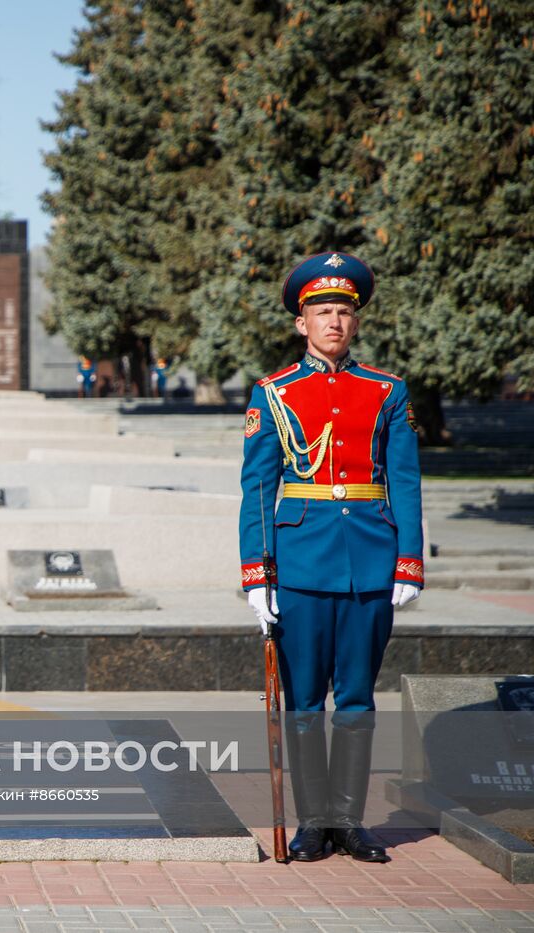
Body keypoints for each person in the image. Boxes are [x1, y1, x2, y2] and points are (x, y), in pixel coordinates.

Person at [239, 251, 422, 865]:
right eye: (321, 311)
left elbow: (405, 479)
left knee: (359, 699)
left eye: (343, 311)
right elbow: (258, 489)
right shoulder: (273, 394)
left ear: (356, 320)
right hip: (299, 565)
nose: (333, 321)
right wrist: (256, 574)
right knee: (304, 702)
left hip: (370, 560)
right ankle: (313, 824)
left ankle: (350, 821)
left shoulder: (386, 392)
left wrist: (408, 559)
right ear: (302, 323)